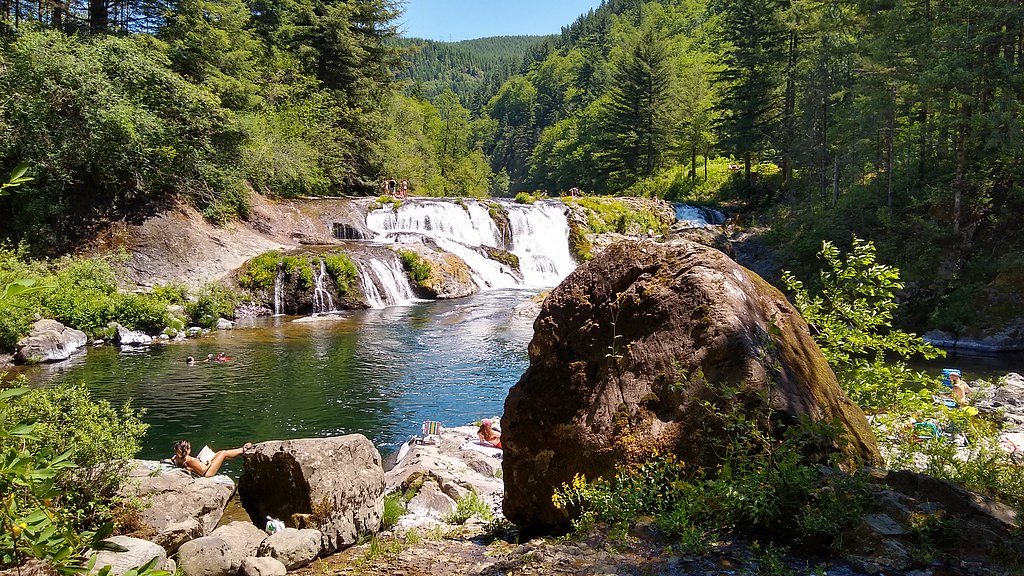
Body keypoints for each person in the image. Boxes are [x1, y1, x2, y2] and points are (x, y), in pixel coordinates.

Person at [171, 439, 251, 477]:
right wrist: (209, 463)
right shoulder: (191, 459)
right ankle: (242, 450)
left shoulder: (176, 457)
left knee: (219, 453)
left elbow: (171, 460)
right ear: (187, 450)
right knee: (223, 453)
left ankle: (241, 450)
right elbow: (202, 470)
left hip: (200, 468)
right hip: (207, 472)